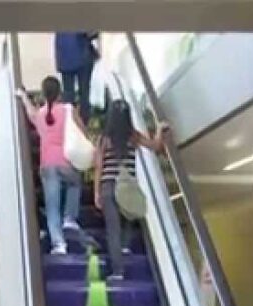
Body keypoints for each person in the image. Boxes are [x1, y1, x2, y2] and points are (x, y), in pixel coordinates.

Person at [93, 99, 167, 281]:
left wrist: (96, 191)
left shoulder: (104, 139)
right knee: (129, 214)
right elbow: (156, 147)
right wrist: (159, 130)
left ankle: (118, 271)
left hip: (109, 186)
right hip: (127, 186)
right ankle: (125, 246)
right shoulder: (133, 136)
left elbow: (98, 167)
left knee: (113, 229)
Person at [18, 76, 89, 255]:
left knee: (52, 205)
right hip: (67, 161)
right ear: (59, 93)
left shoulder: (41, 114)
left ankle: (59, 244)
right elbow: (82, 131)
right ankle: (70, 218)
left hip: (48, 164)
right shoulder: (68, 110)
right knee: (75, 183)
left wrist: (23, 96)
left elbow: (30, 113)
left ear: (43, 94)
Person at [54, 32, 98, 122]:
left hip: (64, 54)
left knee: (68, 93)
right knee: (84, 92)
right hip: (82, 54)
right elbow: (89, 32)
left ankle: (68, 122)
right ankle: (83, 123)